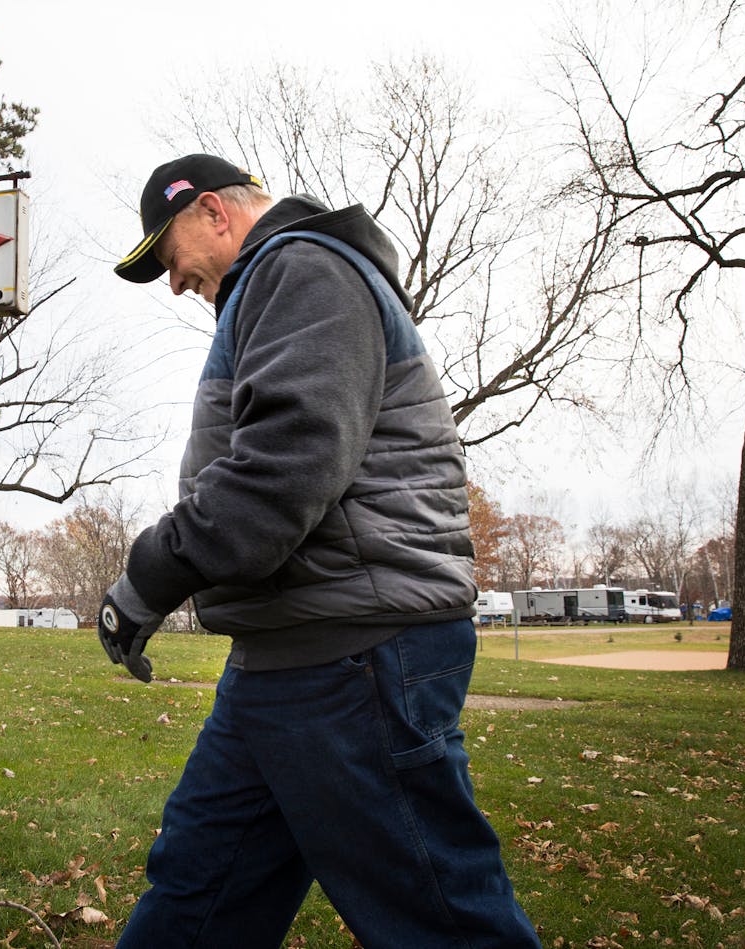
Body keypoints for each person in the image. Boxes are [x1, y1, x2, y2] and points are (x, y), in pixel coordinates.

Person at [97, 153, 540, 948]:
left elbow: (279, 476)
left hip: (352, 654)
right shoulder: (282, 281)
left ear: (213, 213)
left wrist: (146, 578)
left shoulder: (300, 269)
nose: (173, 283)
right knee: (198, 894)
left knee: (441, 917)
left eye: (170, 257)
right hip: (290, 655)